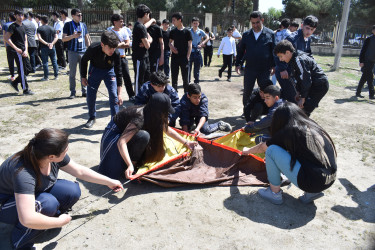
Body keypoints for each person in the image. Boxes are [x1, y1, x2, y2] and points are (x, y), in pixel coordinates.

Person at [0, 128, 123, 249]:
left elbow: (79, 171)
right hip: (8, 204)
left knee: (71, 190)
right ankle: (20, 242)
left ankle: (45, 221)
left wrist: (109, 181)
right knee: (48, 203)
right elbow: (27, 218)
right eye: (65, 150)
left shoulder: (47, 155)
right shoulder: (23, 173)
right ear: (52, 156)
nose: (67, 152)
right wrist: (60, 222)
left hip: (34, 192)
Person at [243, 102, 337, 205]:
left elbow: (263, 147)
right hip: (329, 179)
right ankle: (312, 193)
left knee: (271, 150)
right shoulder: (311, 125)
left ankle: (274, 193)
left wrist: (247, 151)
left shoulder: (289, 130)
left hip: (312, 181)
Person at [99, 92, 197, 179]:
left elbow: (166, 130)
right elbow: (122, 141)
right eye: (165, 111)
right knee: (144, 136)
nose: (166, 113)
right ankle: (131, 166)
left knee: (148, 136)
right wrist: (129, 165)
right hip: (114, 135)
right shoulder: (139, 117)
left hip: (127, 135)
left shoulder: (153, 113)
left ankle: (134, 163)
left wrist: (186, 142)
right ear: (158, 110)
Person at [80, 31, 123, 128]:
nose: (112, 50)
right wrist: (83, 77)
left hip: (109, 71)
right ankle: (92, 117)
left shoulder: (115, 53)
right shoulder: (93, 48)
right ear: (102, 44)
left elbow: (119, 72)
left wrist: (119, 93)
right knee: (91, 95)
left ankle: (114, 121)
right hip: (95, 70)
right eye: (110, 48)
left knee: (113, 95)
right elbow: (84, 60)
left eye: (114, 47)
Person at [275, 40, 329, 116]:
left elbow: (306, 80)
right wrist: (298, 92)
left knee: (304, 109)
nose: (280, 59)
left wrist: (303, 98)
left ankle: (304, 125)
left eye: (281, 56)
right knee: (302, 109)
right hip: (312, 85)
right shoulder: (292, 60)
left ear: (287, 52)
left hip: (319, 85)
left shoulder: (299, 60)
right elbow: (298, 77)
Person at [235, 11, 275, 109]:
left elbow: (274, 51)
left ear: (262, 20)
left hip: (264, 69)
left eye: (257, 22)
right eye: (253, 23)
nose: (255, 25)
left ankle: (264, 110)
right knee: (247, 91)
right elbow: (240, 50)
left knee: (265, 91)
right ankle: (247, 110)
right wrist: (238, 64)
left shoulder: (270, 34)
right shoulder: (246, 35)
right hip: (250, 69)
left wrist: (274, 65)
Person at [275, 15, 318, 103]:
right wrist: (283, 69)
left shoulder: (308, 39)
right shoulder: (292, 38)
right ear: (302, 26)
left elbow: (308, 55)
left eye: (312, 29)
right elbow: (277, 53)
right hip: (285, 72)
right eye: (307, 28)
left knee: (288, 97)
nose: (309, 31)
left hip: (295, 73)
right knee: (294, 99)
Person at [4, 9, 34, 95]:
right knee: (22, 70)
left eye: (22, 15)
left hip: (24, 50)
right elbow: (6, 38)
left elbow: (25, 39)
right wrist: (16, 48)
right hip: (17, 51)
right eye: (19, 15)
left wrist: (26, 50)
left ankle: (15, 82)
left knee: (28, 69)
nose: (21, 17)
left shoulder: (23, 26)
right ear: (15, 16)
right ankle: (25, 89)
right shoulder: (13, 26)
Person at [63, 8, 91, 99]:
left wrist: (90, 49)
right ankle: (73, 92)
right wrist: (73, 36)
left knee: (83, 73)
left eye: (81, 15)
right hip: (72, 52)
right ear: (73, 16)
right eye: (78, 15)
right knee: (72, 73)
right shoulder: (68, 25)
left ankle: (84, 91)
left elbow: (87, 38)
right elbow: (63, 38)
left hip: (83, 52)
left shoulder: (83, 25)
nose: (80, 16)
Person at [108, 14, 135, 102]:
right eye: (121, 21)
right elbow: (109, 45)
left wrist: (117, 45)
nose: (122, 23)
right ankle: (114, 96)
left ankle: (131, 95)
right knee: (113, 78)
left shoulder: (124, 30)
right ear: (115, 22)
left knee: (127, 76)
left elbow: (127, 44)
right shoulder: (109, 31)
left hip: (122, 57)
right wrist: (121, 44)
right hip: (112, 58)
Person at [132, 4, 154, 94]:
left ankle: (144, 97)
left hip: (145, 56)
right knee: (139, 79)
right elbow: (147, 45)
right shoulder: (139, 27)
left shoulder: (141, 26)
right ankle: (138, 98)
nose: (149, 17)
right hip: (139, 57)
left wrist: (148, 40)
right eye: (149, 15)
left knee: (147, 78)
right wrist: (150, 40)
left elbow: (146, 43)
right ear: (145, 14)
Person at [169, 12, 192, 92]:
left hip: (184, 58)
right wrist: (171, 47)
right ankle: (174, 94)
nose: (173, 22)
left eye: (174, 20)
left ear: (180, 20)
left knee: (185, 78)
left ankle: (186, 95)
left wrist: (188, 57)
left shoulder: (187, 32)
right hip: (175, 58)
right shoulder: (173, 31)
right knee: (174, 77)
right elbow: (170, 42)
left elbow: (190, 45)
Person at [355, 25, 375, 99]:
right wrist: (361, 61)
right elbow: (363, 51)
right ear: (373, 31)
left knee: (364, 77)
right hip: (367, 61)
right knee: (370, 78)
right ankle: (371, 94)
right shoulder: (369, 39)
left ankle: (358, 92)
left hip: (372, 61)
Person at [37, 15, 59, 81]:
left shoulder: (40, 28)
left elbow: (39, 38)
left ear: (41, 21)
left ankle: (46, 77)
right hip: (52, 47)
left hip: (44, 47)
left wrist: (47, 44)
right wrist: (52, 43)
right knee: (54, 62)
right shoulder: (52, 28)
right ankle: (56, 75)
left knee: (45, 62)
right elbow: (56, 37)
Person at [189, 17, 208, 84]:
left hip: (197, 52)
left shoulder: (200, 31)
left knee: (197, 68)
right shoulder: (189, 31)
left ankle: (196, 81)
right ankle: (187, 81)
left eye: (197, 23)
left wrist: (202, 43)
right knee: (188, 67)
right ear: (192, 23)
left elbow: (207, 37)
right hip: (190, 52)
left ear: (198, 23)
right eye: (194, 23)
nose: (195, 24)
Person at [3, 12, 16, 81]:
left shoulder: (6, 25)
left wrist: (5, 45)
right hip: (17, 45)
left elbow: (4, 36)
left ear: (10, 17)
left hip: (9, 45)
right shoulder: (17, 24)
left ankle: (12, 75)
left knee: (10, 60)